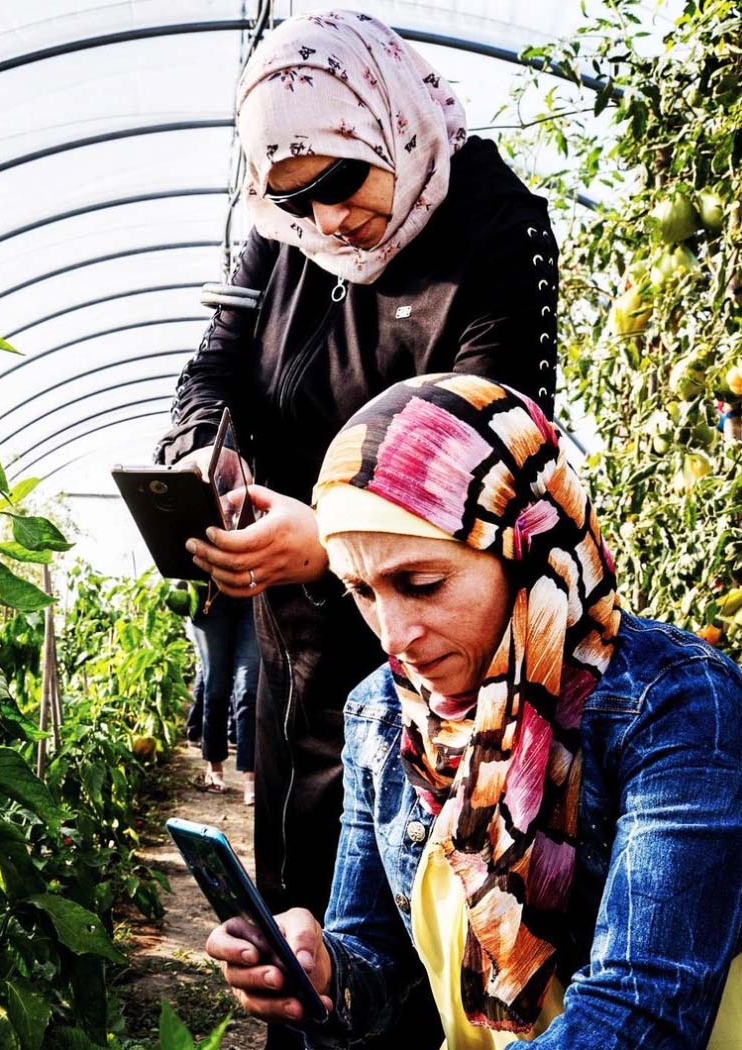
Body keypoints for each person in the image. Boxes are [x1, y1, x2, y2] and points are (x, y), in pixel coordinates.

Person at [156, 12, 559, 1039]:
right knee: (308, 935)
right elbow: (208, 374)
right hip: (303, 651)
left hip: (440, 662)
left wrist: (334, 539)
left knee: (427, 935)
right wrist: (209, 452)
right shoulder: (285, 234)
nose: (324, 220)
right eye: (289, 199)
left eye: (342, 183)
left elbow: (490, 452)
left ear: (391, 131)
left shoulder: (492, 228)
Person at [207, 374, 742, 1049]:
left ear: (527, 550)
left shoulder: (674, 702)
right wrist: (321, 972)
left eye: (421, 583)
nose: (394, 635)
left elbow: (641, 1013)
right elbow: (373, 960)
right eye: (362, 592)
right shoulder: (383, 713)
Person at [190, 591, 258, 804]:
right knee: (216, 687)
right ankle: (214, 765)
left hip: (253, 595)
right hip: (209, 597)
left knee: (249, 689)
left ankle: (252, 777)